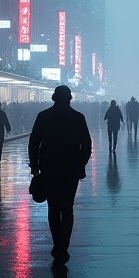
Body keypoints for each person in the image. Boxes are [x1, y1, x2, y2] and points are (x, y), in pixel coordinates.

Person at [28, 85, 92, 265]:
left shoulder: (44, 116)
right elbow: (86, 144)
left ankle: (57, 243)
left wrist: (35, 165)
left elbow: (34, 142)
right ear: (70, 98)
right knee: (68, 208)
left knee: (53, 208)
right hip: (70, 169)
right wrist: (80, 163)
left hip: (49, 168)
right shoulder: (78, 117)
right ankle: (64, 245)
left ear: (54, 97)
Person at [0, 101, 12, 168]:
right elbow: (6, 122)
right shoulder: (2, 113)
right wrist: (8, 129)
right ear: (0, 106)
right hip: (0, 131)